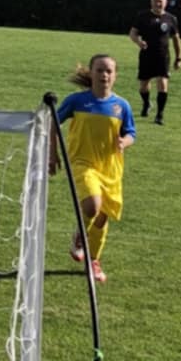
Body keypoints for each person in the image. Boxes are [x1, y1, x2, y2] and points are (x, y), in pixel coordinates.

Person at [56, 53, 135, 285]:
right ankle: (80, 235)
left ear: (115, 76)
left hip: (110, 168)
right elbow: (52, 121)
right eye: (99, 70)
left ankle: (93, 260)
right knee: (92, 206)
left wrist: (124, 142)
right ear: (91, 74)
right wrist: (52, 153)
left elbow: (131, 133)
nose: (104, 75)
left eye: (109, 71)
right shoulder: (77, 101)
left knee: (102, 218)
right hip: (83, 163)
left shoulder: (121, 106)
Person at [128, 0, 181, 124]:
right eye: (155, 1)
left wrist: (178, 58)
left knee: (162, 83)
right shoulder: (142, 16)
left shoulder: (171, 19)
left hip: (163, 56)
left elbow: (176, 39)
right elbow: (132, 33)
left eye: (160, 1)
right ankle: (146, 103)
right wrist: (138, 42)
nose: (158, 4)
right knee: (143, 86)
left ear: (165, 2)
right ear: (151, 2)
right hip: (146, 55)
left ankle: (159, 115)